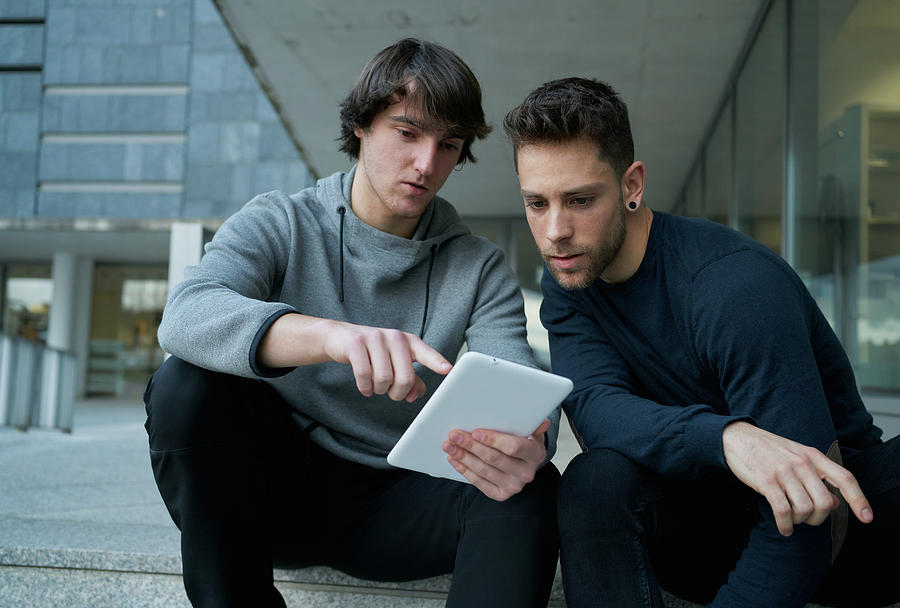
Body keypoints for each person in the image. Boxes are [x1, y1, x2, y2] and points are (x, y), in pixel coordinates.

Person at [144, 38, 561, 608]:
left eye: (448, 145)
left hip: (406, 507)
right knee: (184, 384)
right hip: (271, 497)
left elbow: (518, 381)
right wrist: (329, 336)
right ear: (362, 125)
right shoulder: (281, 220)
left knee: (529, 484)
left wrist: (528, 441)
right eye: (408, 132)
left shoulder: (477, 265)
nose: (426, 163)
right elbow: (186, 314)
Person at [502, 77, 899, 608]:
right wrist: (727, 438)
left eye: (579, 200)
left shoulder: (732, 285)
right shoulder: (571, 279)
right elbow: (597, 409)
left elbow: (813, 509)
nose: (554, 231)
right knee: (595, 478)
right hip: (709, 529)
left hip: (844, 532)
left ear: (631, 185)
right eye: (536, 203)